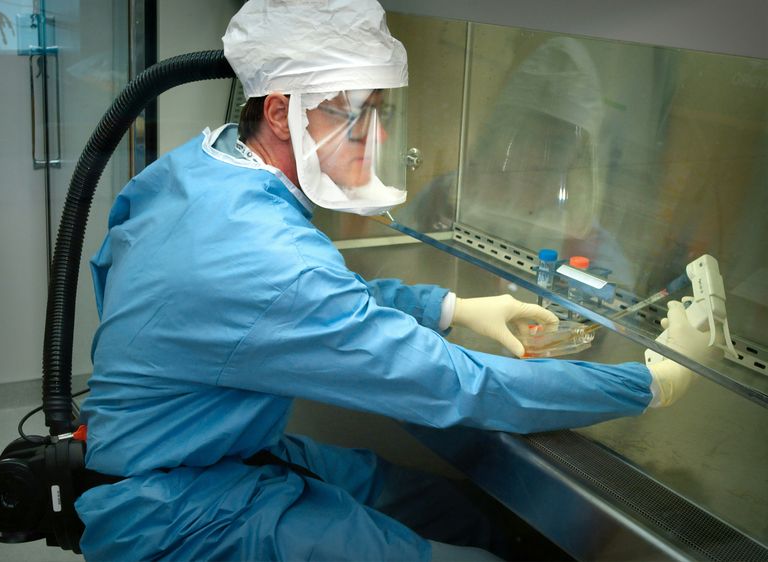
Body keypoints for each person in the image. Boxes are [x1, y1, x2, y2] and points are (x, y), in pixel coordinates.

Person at [74, 1, 719, 560]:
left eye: (381, 112)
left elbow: (285, 304)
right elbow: (457, 385)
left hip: (214, 451)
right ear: (279, 112)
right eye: (354, 114)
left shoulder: (200, 168)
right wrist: (648, 383)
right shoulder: (270, 257)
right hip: (176, 513)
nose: (376, 136)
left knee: (460, 511)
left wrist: (451, 306)